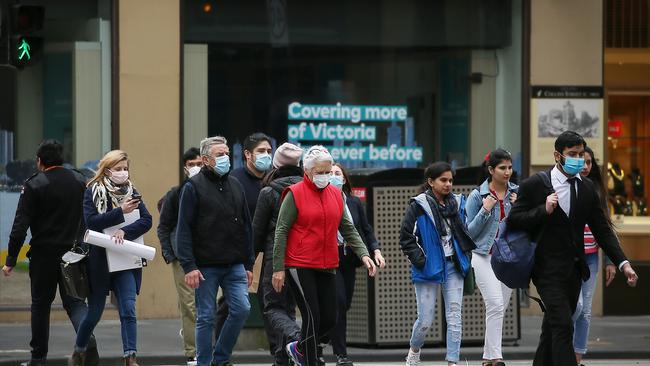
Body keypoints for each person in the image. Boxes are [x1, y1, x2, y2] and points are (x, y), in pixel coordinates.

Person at [507, 131, 638, 366]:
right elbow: (514, 220)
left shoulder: (587, 188)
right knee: (564, 325)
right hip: (545, 270)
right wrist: (543, 211)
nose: (578, 159)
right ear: (558, 155)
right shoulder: (536, 184)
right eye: (572, 154)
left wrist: (623, 262)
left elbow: (602, 230)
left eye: (581, 154)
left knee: (553, 328)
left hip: (574, 272)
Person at [272, 145, 377, 366]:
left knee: (330, 317)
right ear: (307, 172)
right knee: (313, 317)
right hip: (299, 263)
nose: (325, 176)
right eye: (320, 172)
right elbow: (281, 230)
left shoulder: (335, 194)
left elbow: (348, 228)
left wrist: (364, 254)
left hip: (327, 261)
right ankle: (309, 360)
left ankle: (299, 348)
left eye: (328, 171)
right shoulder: (295, 193)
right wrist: (278, 267)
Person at [1, 139, 98, 366]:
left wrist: (11, 259)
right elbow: (89, 218)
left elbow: (20, 227)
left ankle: (38, 359)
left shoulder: (35, 184)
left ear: (39, 161)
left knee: (41, 305)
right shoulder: (79, 180)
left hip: (44, 256)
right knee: (75, 303)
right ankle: (87, 338)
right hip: (73, 256)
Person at [175, 136, 254, 366]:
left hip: (234, 264)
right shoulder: (193, 188)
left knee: (242, 309)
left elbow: (246, 227)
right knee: (206, 317)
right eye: (220, 155)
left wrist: (248, 264)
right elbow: (184, 230)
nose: (225, 158)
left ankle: (220, 358)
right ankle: (204, 362)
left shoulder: (236, 185)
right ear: (206, 160)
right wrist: (189, 266)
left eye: (227, 154)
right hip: (205, 266)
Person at [70, 150, 153, 366]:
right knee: (94, 313)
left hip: (124, 259)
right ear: (107, 170)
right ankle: (79, 350)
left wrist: (126, 231)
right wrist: (121, 212)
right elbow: (92, 222)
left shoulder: (131, 191)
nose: (123, 173)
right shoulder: (93, 191)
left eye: (125, 168)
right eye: (118, 169)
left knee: (128, 309)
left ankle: (130, 356)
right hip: (99, 262)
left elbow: (147, 220)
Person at [399, 162, 476, 366]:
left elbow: (465, 232)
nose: (448, 184)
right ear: (431, 182)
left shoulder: (457, 204)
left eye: (451, 180)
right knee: (425, 320)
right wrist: (421, 261)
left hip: (454, 267)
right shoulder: (418, 206)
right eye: (443, 180)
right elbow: (406, 238)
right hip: (428, 268)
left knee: (454, 317)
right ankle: (414, 350)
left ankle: (453, 362)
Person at [215, 132, 273, 342]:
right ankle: (218, 350)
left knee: (272, 304)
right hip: (241, 252)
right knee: (231, 303)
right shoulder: (234, 180)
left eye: (268, 151)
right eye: (261, 151)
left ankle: (279, 354)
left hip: (269, 250)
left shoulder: (272, 180)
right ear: (247, 154)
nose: (266, 155)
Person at [328, 163, 386, 366]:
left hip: (349, 257)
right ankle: (341, 354)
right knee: (339, 303)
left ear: (344, 179)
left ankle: (323, 338)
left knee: (345, 304)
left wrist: (375, 251)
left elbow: (365, 229)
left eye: (338, 174)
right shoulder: (323, 200)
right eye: (330, 173)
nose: (334, 177)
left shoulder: (353, 202)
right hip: (329, 257)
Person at [252, 142, 304, 366]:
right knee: (289, 308)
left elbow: (257, 232)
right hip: (303, 257)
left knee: (272, 306)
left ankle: (299, 339)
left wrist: (248, 262)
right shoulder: (307, 190)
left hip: (277, 258)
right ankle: (283, 358)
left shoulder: (269, 192)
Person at [464, 149, 518, 366]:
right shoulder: (478, 195)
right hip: (483, 256)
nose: (507, 172)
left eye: (510, 167)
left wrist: (518, 207)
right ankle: (496, 358)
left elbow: (524, 226)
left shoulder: (517, 193)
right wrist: (486, 210)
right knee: (495, 304)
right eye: (502, 168)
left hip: (509, 257)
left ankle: (487, 358)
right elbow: (470, 233)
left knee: (499, 309)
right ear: (491, 170)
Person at [156, 147, 203, 366]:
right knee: (189, 304)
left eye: (200, 163)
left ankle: (198, 339)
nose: (196, 168)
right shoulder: (176, 194)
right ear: (185, 167)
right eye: (192, 164)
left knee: (211, 303)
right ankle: (192, 351)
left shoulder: (215, 190)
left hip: (209, 256)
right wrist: (169, 254)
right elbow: (163, 226)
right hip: (182, 257)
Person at [572, 146, 617, 366]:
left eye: (589, 162)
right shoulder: (569, 187)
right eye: (583, 161)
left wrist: (611, 261)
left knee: (585, 311)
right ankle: (563, 352)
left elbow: (607, 230)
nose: (586, 166)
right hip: (571, 257)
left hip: (591, 258)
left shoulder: (597, 191)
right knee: (576, 306)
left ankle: (576, 359)